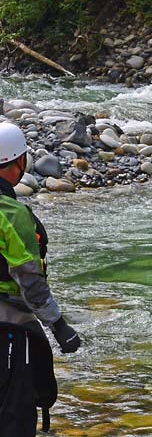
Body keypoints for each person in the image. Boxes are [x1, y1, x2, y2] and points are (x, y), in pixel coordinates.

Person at [0, 122, 81, 436]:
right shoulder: (15, 216)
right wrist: (59, 326)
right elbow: (30, 280)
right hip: (8, 330)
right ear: (19, 163)